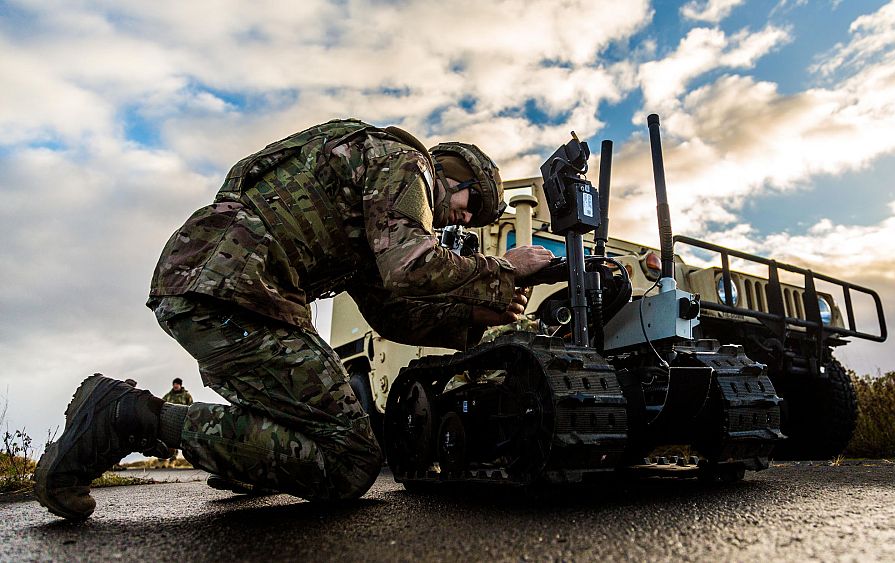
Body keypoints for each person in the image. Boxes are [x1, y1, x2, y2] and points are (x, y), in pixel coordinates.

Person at [34, 118, 554, 520]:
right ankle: (130, 416)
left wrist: (472, 319)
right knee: (350, 461)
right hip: (233, 291)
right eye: (471, 205)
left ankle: (242, 455)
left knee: (310, 425)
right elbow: (410, 264)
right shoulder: (405, 165)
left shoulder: (373, 197)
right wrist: (503, 270)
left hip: (221, 288)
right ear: (451, 174)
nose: (463, 219)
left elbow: (392, 311)